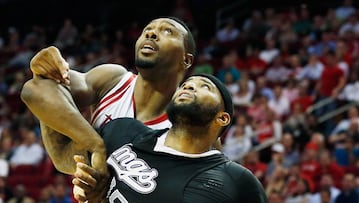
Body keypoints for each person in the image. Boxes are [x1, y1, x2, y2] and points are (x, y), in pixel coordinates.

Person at [20, 17, 197, 177]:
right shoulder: (114, 79)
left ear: (186, 60)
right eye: (147, 30)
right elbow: (34, 89)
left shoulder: (191, 124)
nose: (151, 33)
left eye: (168, 31)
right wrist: (96, 145)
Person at [72, 74, 268, 203]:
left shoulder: (236, 181)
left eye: (204, 87)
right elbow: (68, 158)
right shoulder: (123, 129)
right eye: (186, 84)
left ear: (222, 118)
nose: (189, 87)